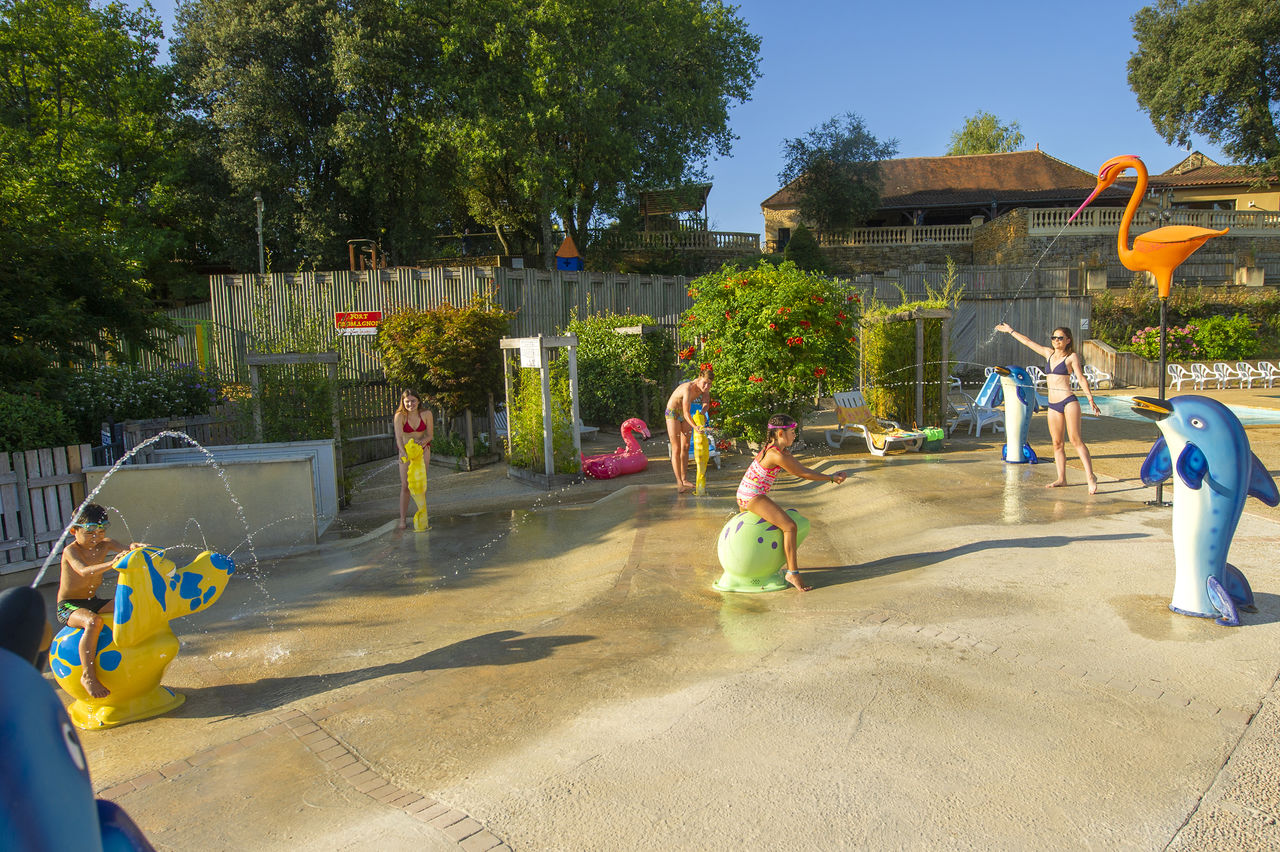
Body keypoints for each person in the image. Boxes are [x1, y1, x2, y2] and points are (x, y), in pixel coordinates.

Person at [735, 414, 847, 592]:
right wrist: (831, 478)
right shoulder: (776, 455)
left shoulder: (773, 449)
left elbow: (801, 468)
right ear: (780, 433)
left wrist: (830, 477)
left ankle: (752, 568)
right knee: (790, 527)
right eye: (792, 432)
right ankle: (792, 573)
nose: (795, 435)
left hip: (744, 493)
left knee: (754, 533)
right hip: (752, 496)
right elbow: (802, 473)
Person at [995, 322, 1101, 493]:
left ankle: (1090, 476)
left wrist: (1090, 399)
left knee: (1075, 440)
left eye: (1060, 338)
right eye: (1054, 338)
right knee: (1057, 443)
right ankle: (1061, 478)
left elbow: (1080, 378)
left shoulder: (1072, 357)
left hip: (1068, 401)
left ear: (1068, 340)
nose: (1056, 340)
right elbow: (1028, 342)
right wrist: (1010, 331)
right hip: (1053, 405)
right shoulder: (1048, 354)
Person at [56, 504, 146, 698]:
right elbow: (83, 571)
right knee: (93, 622)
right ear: (74, 530)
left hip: (92, 600)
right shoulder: (71, 551)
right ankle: (88, 676)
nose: (96, 537)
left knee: (129, 607)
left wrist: (135, 548)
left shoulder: (105, 544)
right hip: (69, 605)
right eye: (89, 533)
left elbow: (127, 549)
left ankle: (135, 655)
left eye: (101, 531)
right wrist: (111, 563)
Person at [664, 367, 713, 492]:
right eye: (705, 383)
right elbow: (686, 413)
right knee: (676, 448)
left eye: (709, 384)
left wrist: (702, 413)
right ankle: (679, 482)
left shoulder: (705, 388)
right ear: (698, 379)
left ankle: (685, 479)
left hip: (685, 414)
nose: (707, 386)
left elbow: (706, 403)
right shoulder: (688, 388)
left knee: (685, 446)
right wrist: (695, 426)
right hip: (673, 413)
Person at [394, 389, 434, 530]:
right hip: (406, 452)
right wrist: (404, 452)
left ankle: (422, 517)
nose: (410, 404)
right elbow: (399, 439)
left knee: (420, 485)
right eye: (407, 401)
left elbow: (430, 435)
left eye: (413, 401)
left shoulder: (426, 414)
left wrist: (422, 442)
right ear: (403, 402)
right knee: (406, 485)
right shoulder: (400, 416)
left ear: (418, 401)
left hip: (423, 451)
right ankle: (403, 519)